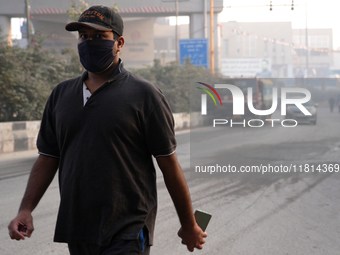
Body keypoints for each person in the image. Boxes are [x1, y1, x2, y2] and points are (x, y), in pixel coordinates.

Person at [8, 5, 207, 254]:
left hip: (128, 228)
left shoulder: (144, 95)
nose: (89, 42)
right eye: (84, 37)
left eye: (99, 37)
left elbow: (169, 165)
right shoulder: (61, 95)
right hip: (78, 228)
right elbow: (48, 156)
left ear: (119, 42)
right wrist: (26, 209)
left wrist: (188, 224)